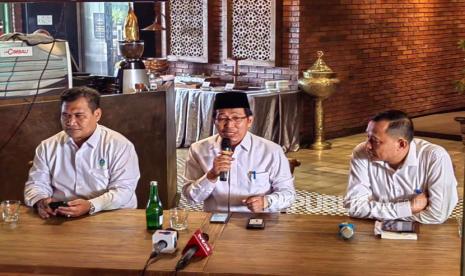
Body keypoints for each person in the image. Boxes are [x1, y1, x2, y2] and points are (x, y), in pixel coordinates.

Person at [24, 87, 140, 219]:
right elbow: (36, 184)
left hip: (112, 216)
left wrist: (91, 205)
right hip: (60, 218)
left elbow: (124, 191)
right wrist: (41, 201)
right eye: (65, 115)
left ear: (97, 115)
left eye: (79, 115)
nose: (70, 122)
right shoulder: (47, 147)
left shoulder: (119, 145)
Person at [182, 92, 295, 213]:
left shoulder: (271, 151)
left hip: (257, 221)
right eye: (222, 118)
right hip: (215, 221)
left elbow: (289, 194)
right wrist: (211, 175)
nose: (229, 125)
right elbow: (191, 198)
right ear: (214, 121)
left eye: (236, 118)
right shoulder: (198, 149)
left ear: (249, 121)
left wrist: (266, 202)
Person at [344, 110, 458, 224]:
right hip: (375, 233)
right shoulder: (361, 153)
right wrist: (408, 208)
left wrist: (377, 214)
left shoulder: (435, 157)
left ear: (401, 144)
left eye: (374, 140)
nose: (367, 145)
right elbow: (354, 207)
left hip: (427, 234)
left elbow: (437, 215)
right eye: (367, 136)